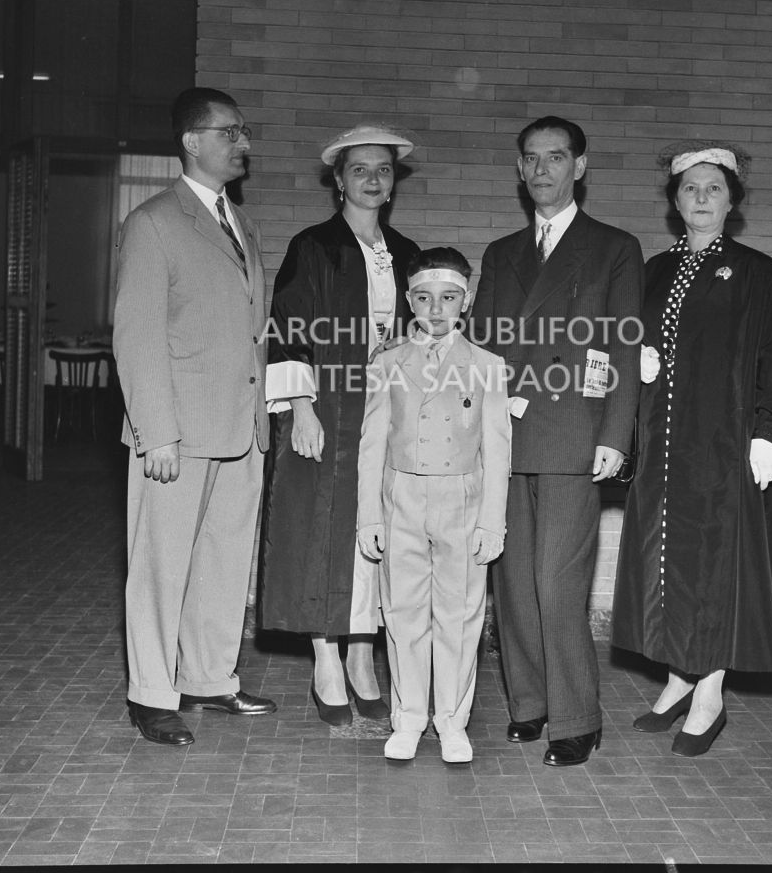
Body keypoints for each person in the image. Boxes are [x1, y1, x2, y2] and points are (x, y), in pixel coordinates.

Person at [611, 139, 772, 757]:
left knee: (718, 567)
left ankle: (711, 693)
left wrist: (770, 431)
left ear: (732, 201)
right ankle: (679, 678)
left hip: (728, 447)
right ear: (674, 202)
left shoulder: (759, 273)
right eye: (690, 189)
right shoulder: (652, 272)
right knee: (666, 562)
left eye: (714, 189)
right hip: (664, 449)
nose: (701, 199)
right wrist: (632, 361)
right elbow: (620, 337)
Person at [470, 116, 643, 767]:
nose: (542, 169)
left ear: (580, 166)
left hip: (574, 434)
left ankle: (577, 719)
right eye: (531, 158)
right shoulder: (501, 253)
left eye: (556, 157)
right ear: (519, 170)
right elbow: (483, 345)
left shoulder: (614, 247)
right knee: (513, 582)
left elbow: (624, 343)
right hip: (505, 436)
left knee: (557, 582)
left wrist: (616, 432)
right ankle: (530, 703)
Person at [114, 87, 275, 747]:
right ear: (191, 141)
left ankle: (209, 677)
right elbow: (136, 334)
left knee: (224, 560)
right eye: (230, 132)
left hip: (240, 426)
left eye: (244, 131)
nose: (243, 142)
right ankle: (151, 694)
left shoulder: (240, 222)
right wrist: (156, 433)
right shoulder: (153, 222)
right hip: (176, 433)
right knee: (160, 567)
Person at [259, 125, 421, 724]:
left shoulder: (406, 252)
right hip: (326, 409)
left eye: (383, 170)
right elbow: (290, 325)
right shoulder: (314, 246)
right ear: (338, 180)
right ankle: (325, 657)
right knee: (320, 528)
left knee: (377, 531)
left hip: (385, 412)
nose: (373, 179)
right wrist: (300, 408)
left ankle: (361, 655)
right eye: (360, 170)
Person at [356, 247, 510, 763]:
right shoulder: (388, 362)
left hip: (461, 500)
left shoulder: (487, 366)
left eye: (448, 298)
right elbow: (372, 443)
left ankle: (451, 722)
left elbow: (497, 450)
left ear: (465, 300)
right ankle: (408, 719)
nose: (436, 309)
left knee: (459, 615)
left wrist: (492, 522)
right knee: (402, 614)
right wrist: (369, 515)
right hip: (401, 498)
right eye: (424, 298)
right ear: (408, 300)